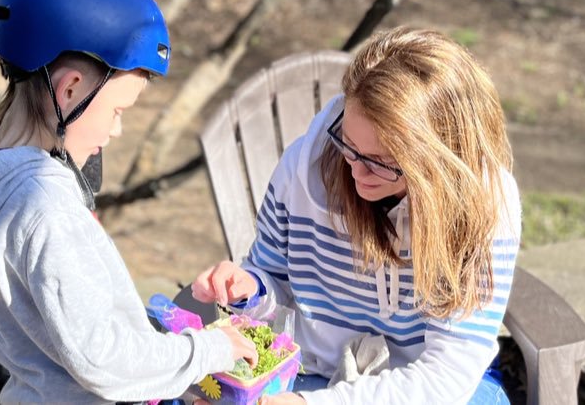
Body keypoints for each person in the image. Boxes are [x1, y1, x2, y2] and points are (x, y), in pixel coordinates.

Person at [0, 0, 256, 404]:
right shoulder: (43, 206)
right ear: (69, 90)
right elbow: (102, 358)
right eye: (117, 110)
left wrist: (171, 365)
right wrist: (209, 351)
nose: (116, 129)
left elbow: (68, 335)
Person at [191, 28, 520, 404]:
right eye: (349, 144)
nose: (356, 173)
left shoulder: (485, 206)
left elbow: (448, 375)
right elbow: (274, 284)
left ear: (439, 164)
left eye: (382, 164)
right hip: (314, 374)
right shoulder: (301, 172)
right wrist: (250, 289)